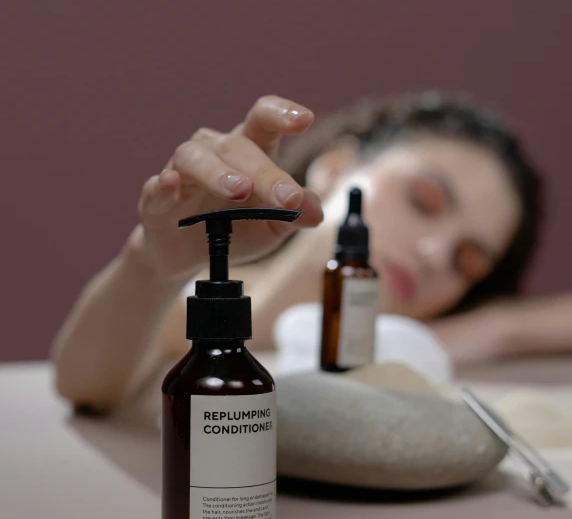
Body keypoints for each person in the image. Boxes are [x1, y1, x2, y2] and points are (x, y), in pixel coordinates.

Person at [52, 93, 572, 412]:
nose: (436, 253)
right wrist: (152, 264)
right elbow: (84, 388)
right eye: (423, 201)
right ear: (335, 167)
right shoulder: (191, 312)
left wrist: (496, 327)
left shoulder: (421, 360)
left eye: (467, 263)